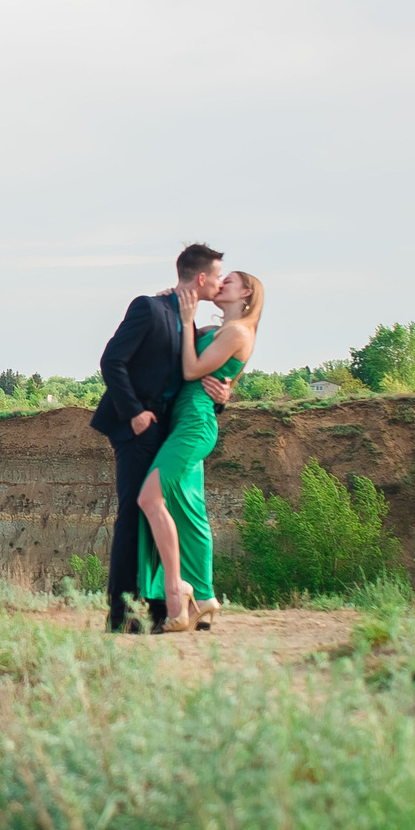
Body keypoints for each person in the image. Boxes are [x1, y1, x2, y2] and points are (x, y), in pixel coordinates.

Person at [89, 244, 232, 632]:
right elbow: (111, 360)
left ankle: (166, 610)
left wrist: (220, 398)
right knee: (134, 516)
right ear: (201, 278)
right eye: (218, 276)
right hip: (137, 429)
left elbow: (192, 382)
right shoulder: (149, 308)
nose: (221, 283)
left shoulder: (194, 327)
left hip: (172, 433)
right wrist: (134, 413)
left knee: (174, 515)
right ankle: (122, 614)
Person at [136, 269, 264, 631]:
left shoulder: (239, 332)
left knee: (150, 498)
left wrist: (190, 318)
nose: (222, 284)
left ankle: (179, 593)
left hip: (194, 426)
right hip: (183, 422)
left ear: (246, 295)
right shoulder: (215, 332)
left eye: (231, 281)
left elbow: (192, 370)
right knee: (189, 512)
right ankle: (203, 596)